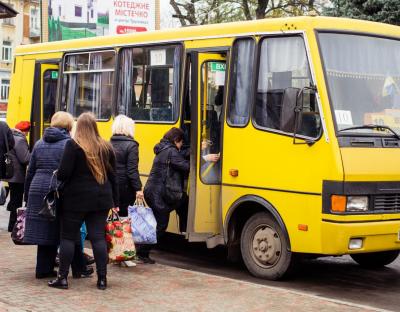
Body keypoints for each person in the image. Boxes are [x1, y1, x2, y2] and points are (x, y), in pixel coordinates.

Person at [49, 112, 118, 290]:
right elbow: (113, 177)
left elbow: (64, 174)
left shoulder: (73, 146)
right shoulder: (106, 147)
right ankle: (102, 280)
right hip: (101, 200)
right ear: (95, 127)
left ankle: (62, 278)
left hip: (75, 200)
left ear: (78, 127)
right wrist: (115, 201)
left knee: (68, 238)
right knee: (98, 239)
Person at [24, 112, 91, 279]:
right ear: (69, 126)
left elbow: (30, 171)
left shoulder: (39, 143)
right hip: (59, 190)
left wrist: (27, 195)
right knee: (71, 229)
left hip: (37, 188)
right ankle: (78, 268)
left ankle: (43, 269)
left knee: (44, 230)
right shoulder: (69, 144)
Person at [140, 127, 189, 263]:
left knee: (183, 199)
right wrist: (204, 158)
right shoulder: (171, 151)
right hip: (158, 195)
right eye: (180, 143)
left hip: (152, 191)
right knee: (161, 225)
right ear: (175, 140)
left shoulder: (163, 149)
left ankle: (185, 227)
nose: (180, 147)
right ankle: (142, 252)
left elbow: (182, 154)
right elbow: (186, 166)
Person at [110, 114, 143, 217]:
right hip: (125, 188)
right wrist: (138, 188)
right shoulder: (132, 145)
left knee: (113, 216)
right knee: (124, 218)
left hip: (110, 185)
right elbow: (132, 170)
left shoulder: (108, 143)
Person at [6, 121, 30, 232]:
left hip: (11, 174)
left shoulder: (11, 136)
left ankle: (12, 225)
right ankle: (13, 226)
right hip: (17, 175)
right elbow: (24, 158)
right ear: (25, 131)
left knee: (14, 199)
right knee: (17, 201)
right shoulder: (20, 140)